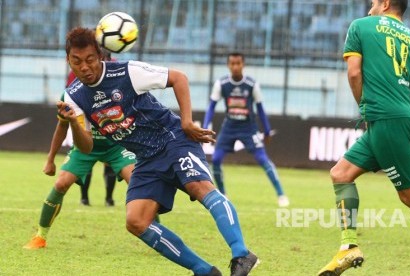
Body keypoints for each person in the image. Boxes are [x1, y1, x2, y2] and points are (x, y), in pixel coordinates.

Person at [57, 27, 258, 276]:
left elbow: (179, 78)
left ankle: (242, 254)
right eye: (76, 62)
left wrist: (186, 122)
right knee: (136, 221)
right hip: (146, 159)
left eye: (89, 60)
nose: (84, 67)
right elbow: (85, 145)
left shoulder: (127, 72)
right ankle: (204, 271)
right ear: (68, 60)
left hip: (172, 140)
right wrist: (73, 123)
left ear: (99, 55)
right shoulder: (74, 95)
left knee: (200, 186)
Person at [317, 0, 410, 275]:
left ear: (385, 3)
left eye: (374, 1)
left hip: (382, 118)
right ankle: (348, 247)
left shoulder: (360, 26)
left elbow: (354, 73)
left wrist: (364, 105)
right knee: (341, 173)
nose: (371, 5)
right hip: (398, 119)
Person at [22, 88, 136, 249]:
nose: (86, 67)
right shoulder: (71, 95)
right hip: (84, 148)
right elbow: (62, 126)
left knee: (137, 183)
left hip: (116, 146)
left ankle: (154, 235)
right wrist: (50, 159)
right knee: (60, 184)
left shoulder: (117, 85)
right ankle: (40, 236)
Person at [202, 52, 289, 207]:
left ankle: (281, 194)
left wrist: (267, 131)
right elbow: (211, 107)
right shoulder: (221, 84)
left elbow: (260, 108)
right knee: (215, 159)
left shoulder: (251, 84)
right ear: (228, 65)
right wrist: (205, 126)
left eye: (238, 63)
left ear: (243, 64)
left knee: (263, 160)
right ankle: (223, 194)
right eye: (232, 64)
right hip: (229, 126)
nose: (235, 67)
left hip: (249, 127)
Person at [67, 48, 118, 207]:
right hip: (87, 121)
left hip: (110, 120)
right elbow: (70, 93)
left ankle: (108, 198)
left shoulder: (116, 67)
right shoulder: (78, 69)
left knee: (110, 163)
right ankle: (84, 198)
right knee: (86, 158)